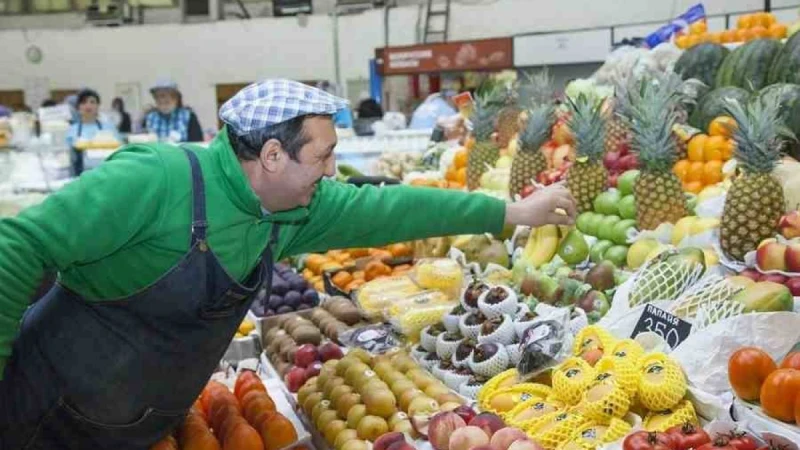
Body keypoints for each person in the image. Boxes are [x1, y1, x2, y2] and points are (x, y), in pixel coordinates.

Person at [0, 79, 576, 448]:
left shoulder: (288, 208)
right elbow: (16, 247)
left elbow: (393, 209)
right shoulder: (154, 179)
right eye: (323, 157)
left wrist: (509, 212)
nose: (331, 172)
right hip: (45, 418)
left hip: (138, 424)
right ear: (272, 155)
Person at [65, 88, 120, 176]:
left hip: (107, 174)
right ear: (78, 107)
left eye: (92, 102)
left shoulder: (109, 127)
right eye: (84, 102)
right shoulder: (71, 130)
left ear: (98, 106)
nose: (88, 106)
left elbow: (119, 152)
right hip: (81, 176)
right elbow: (67, 158)